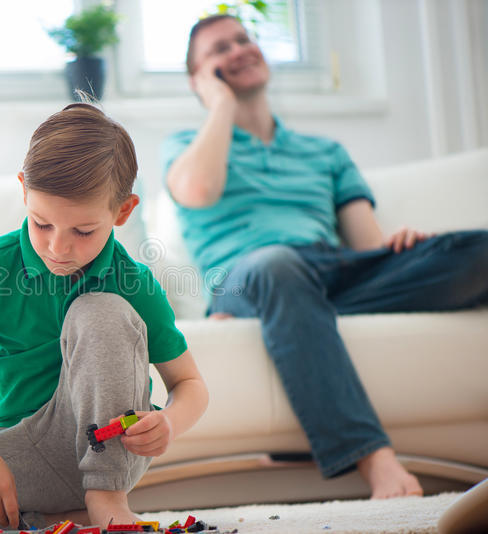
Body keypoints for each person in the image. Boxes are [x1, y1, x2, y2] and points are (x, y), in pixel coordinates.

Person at [162, 14, 488, 499]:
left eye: (244, 39)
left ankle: (297, 324)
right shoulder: (188, 146)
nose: (238, 50)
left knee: (477, 250)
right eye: (219, 50)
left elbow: (366, 249)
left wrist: (399, 254)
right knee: (278, 267)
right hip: (248, 276)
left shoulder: (325, 152)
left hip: (333, 273)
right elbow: (199, 189)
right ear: (199, 79)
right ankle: (374, 461)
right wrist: (222, 105)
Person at [0, 102, 209, 534]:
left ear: (122, 212)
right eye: (41, 224)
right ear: (24, 191)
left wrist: (171, 423)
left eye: (83, 231)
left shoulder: (133, 282)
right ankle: (59, 521)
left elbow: (190, 385)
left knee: (99, 310)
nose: (57, 249)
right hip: (17, 452)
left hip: (111, 446)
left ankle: (106, 498)